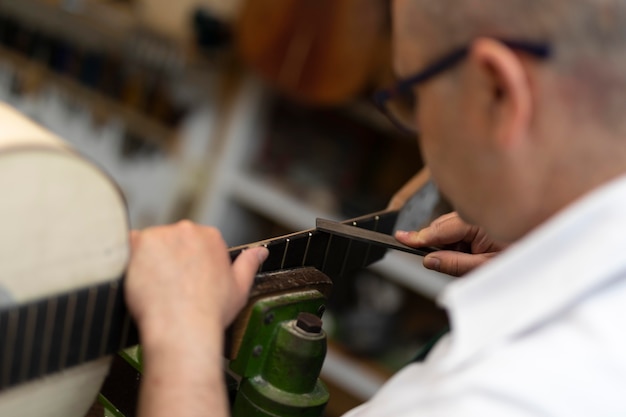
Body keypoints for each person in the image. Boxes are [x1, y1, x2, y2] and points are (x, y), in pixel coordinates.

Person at [125, 0, 626, 415]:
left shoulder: (499, 399)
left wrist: (181, 350)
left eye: (412, 93)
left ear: (497, 93)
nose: (417, 123)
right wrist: (540, 250)